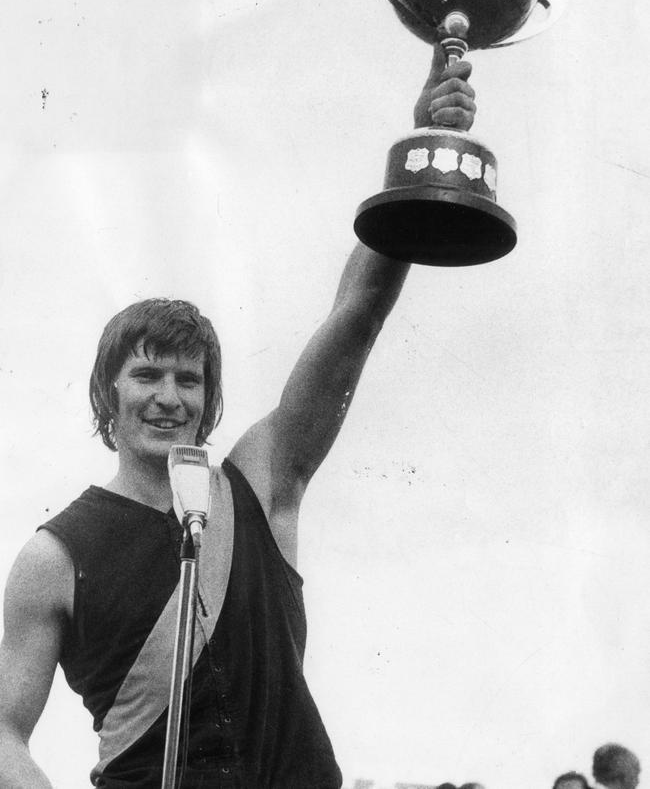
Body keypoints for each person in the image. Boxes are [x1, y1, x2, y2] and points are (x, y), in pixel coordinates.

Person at [0, 43, 477, 789]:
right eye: (145, 374)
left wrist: (421, 157)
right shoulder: (52, 556)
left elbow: (355, 318)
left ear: (208, 399)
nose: (168, 396)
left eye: (187, 379)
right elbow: (3, 732)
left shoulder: (260, 482)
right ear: (107, 394)